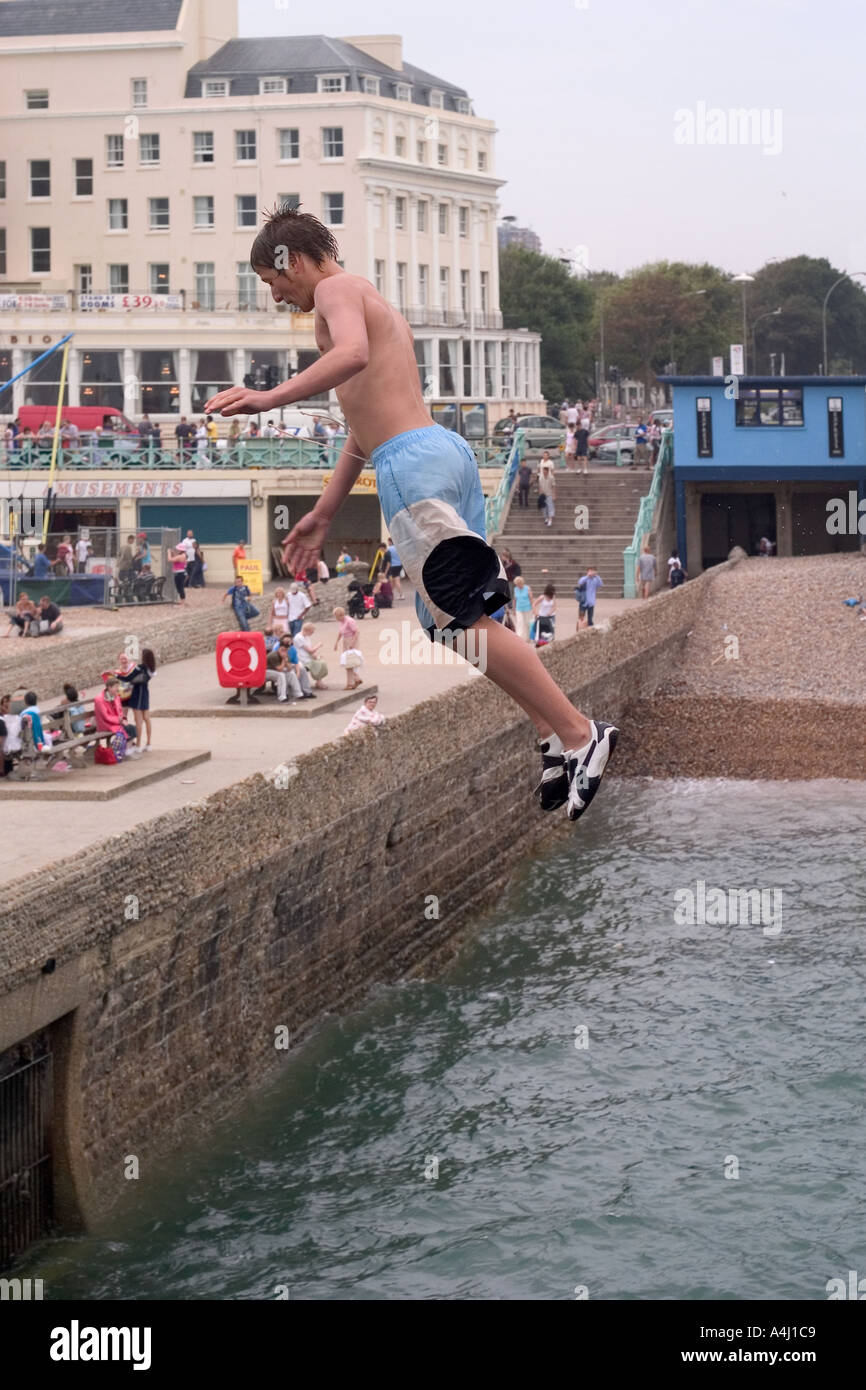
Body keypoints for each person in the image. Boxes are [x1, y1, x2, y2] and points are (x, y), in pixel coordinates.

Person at [205, 204, 618, 821]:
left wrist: (269, 398)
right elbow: (359, 431)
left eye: (273, 282)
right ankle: (553, 736)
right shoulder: (367, 297)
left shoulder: (338, 291)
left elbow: (350, 356)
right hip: (436, 452)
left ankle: (583, 734)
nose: (276, 297)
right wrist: (322, 513)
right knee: (458, 620)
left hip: (412, 464)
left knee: (456, 618)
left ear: (291, 261)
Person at [94, 677, 138, 753]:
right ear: (109, 687)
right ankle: (126, 750)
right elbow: (105, 716)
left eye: (118, 686)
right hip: (105, 724)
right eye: (116, 687)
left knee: (133, 728)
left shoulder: (116, 696)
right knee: (127, 729)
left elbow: (120, 711)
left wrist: (123, 720)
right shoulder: (99, 699)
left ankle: (127, 749)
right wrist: (120, 721)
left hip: (115, 722)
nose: (118, 689)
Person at [127, 647, 156, 751]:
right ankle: (148, 743)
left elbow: (130, 678)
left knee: (138, 721)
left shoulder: (140, 668)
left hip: (137, 694)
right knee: (147, 718)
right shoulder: (151, 669)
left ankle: (138, 744)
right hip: (145, 694)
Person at [294, 621, 329, 687]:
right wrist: (319, 645)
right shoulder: (299, 638)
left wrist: (315, 655)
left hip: (307, 657)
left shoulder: (306, 636)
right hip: (302, 659)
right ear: (307, 630)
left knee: (321, 662)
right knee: (319, 664)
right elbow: (310, 650)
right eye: (312, 632)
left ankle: (319, 681)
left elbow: (310, 649)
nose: (312, 633)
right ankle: (319, 682)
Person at [0, 693, 22, 776]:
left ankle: (3, 769)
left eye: (7, 701)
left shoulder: (13, 716)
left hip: (10, 742)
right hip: (8, 742)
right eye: (3, 702)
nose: (5, 704)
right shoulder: (4, 717)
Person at [512, 575, 534, 641]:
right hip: (519, 609)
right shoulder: (515, 589)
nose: (517, 586)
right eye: (516, 584)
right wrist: (514, 609)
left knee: (528, 623)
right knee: (519, 622)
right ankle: (519, 638)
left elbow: (531, 599)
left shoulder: (527, 588)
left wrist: (534, 608)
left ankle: (529, 637)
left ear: (521, 583)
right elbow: (514, 600)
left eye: (518, 584)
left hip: (528, 608)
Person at [537, 453, 556, 526]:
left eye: (546, 455)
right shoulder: (541, 477)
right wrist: (540, 493)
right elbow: (540, 486)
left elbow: (554, 486)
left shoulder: (551, 477)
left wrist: (554, 494)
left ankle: (550, 519)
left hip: (549, 493)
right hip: (543, 494)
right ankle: (546, 518)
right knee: (544, 507)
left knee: (550, 506)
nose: (545, 456)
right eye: (544, 455)